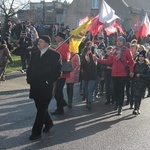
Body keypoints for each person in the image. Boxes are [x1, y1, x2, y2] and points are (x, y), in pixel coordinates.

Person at [26, 35, 62, 140]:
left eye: (41, 41)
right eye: (38, 41)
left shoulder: (55, 55)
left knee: (41, 110)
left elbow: (58, 72)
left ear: (47, 43)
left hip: (46, 87)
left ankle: (36, 132)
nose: (38, 43)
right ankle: (49, 123)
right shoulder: (35, 54)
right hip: (35, 85)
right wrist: (29, 79)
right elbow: (30, 68)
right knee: (40, 108)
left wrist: (48, 81)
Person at [94, 36, 134, 115]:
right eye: (118, 41)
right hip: (114, 74)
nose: (119, 42)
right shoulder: (114, 51)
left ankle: (120, 106)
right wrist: (97, 59)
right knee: (115, 90)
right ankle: (116, 102)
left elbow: (131, 62)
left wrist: (131, 71)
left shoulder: (126, 51)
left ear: (124, 42)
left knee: (121, 90)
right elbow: (108, 61)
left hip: (123, 74)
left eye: (120, 41)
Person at [51, 32, 71, 115]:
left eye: (57, 36)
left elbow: (65, 57)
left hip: (62, 72)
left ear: (61, 38)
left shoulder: (64, 45)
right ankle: (61, 106)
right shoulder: (60, 45)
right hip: (59, 71)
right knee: (57, 91)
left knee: (57, 91)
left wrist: (54, 53)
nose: (55, 38)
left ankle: (61, 106)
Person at [132, 51, 150, 115]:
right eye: (140, 56)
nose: (141, 58)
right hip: (135, 82)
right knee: (135, 95)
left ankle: (137, 108)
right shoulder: (135, 64)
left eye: (142, 57)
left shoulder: (146, 66)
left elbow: (148, 75)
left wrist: (141, 75)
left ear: (144, 58)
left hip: (142, 83)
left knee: (139, 96)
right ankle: (135, 108)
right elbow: (133, 72)